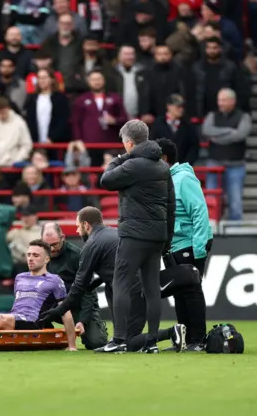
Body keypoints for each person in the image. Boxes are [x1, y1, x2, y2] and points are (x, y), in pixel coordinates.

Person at [41, 207, 191, 354]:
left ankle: (171, 332)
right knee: (110, 289)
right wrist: (96, 282)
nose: (77, 231)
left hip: (131, 292)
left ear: (86, 224)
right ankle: (120, 339)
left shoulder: (92, 244)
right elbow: (117, 266)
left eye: (78, 226)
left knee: (129, 343)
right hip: (143, 287)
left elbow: (79, 284)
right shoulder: (116, 233)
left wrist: (59, 310)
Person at [99, 120, 175, 353]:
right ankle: (151, 342)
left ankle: (119, 339)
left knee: (120, 282)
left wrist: (119, 158)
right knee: (152, 289)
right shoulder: (162, 166)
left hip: (134, 234)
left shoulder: (132, 165)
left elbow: (106, 180)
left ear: (129, 142)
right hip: (157, 236)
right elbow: (171, 205)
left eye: (124, 143)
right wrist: (167, 239)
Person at [156, 138, 213, 351]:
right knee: (179, 292)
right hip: (175, 247)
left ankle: (197, 341)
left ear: (163, 158)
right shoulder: (168, 180)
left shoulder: (184, 179)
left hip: (189, 244)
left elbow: (199, 212)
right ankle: (186, 340)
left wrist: (198, 249)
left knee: (191, 291)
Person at [0, 240, 78, 352]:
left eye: (36, 255)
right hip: (16, 319)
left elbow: (65, 311)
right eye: (29, 255)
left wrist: (72, 346)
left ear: (47, 259)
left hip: (33, 321)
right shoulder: (19, 277)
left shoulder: (54, 280)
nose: (31, 258)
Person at [42, 222, 108, 350]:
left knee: (96, 342)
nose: (52, 249)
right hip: (52, 305)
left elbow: (89, 291)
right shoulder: (38, 254)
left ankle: (96, 325)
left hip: (77, 306)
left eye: (55, 244)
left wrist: (82, 320)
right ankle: (47, 333)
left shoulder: (77, 255)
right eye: (47, 245)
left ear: (63, 237)